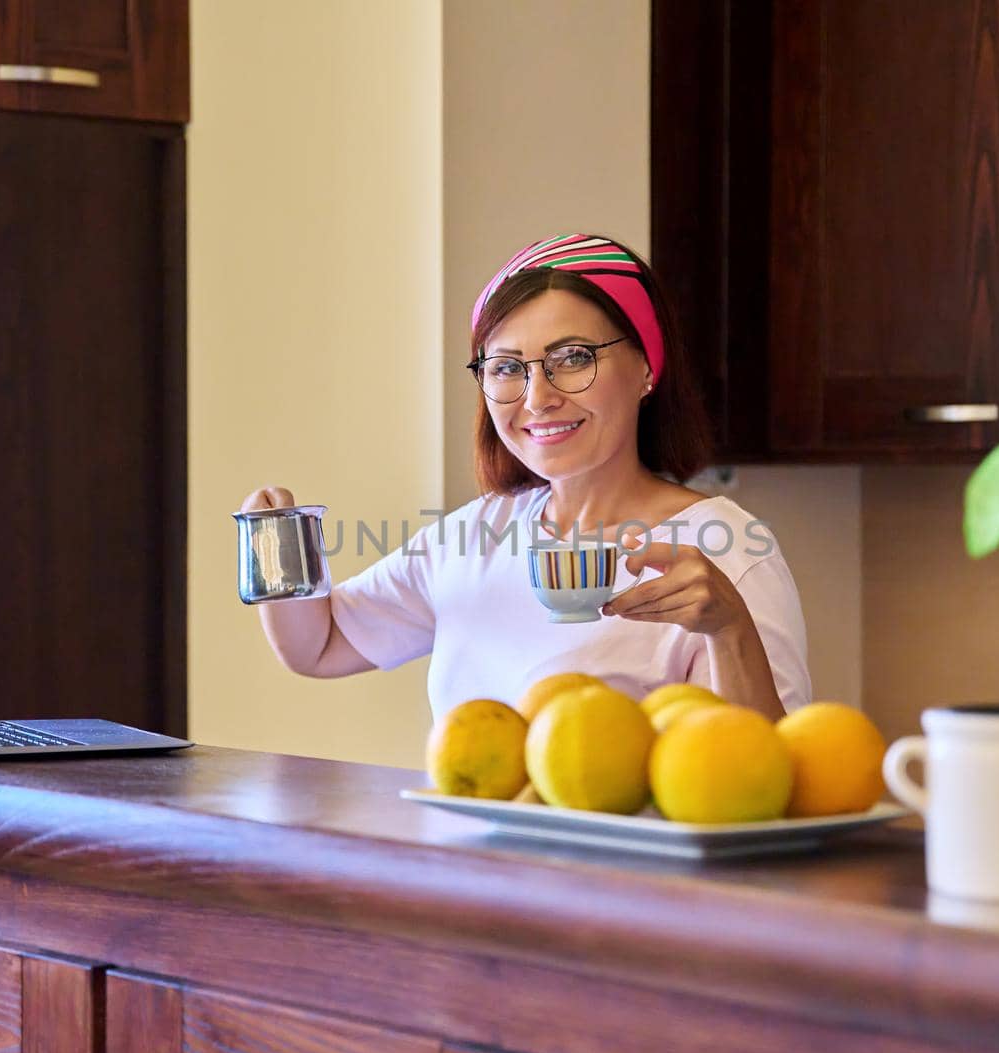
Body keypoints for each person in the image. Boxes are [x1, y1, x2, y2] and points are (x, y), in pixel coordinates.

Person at [241, 234, 810, 721]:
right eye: (508, 368)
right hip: (468, 853)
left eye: (573, 358)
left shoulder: (730, 550)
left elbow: (775, 781)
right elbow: (321, 644)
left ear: (645, 367)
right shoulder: (473, 536)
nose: (538, 398)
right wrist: (275, 543)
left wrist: (730, 628)